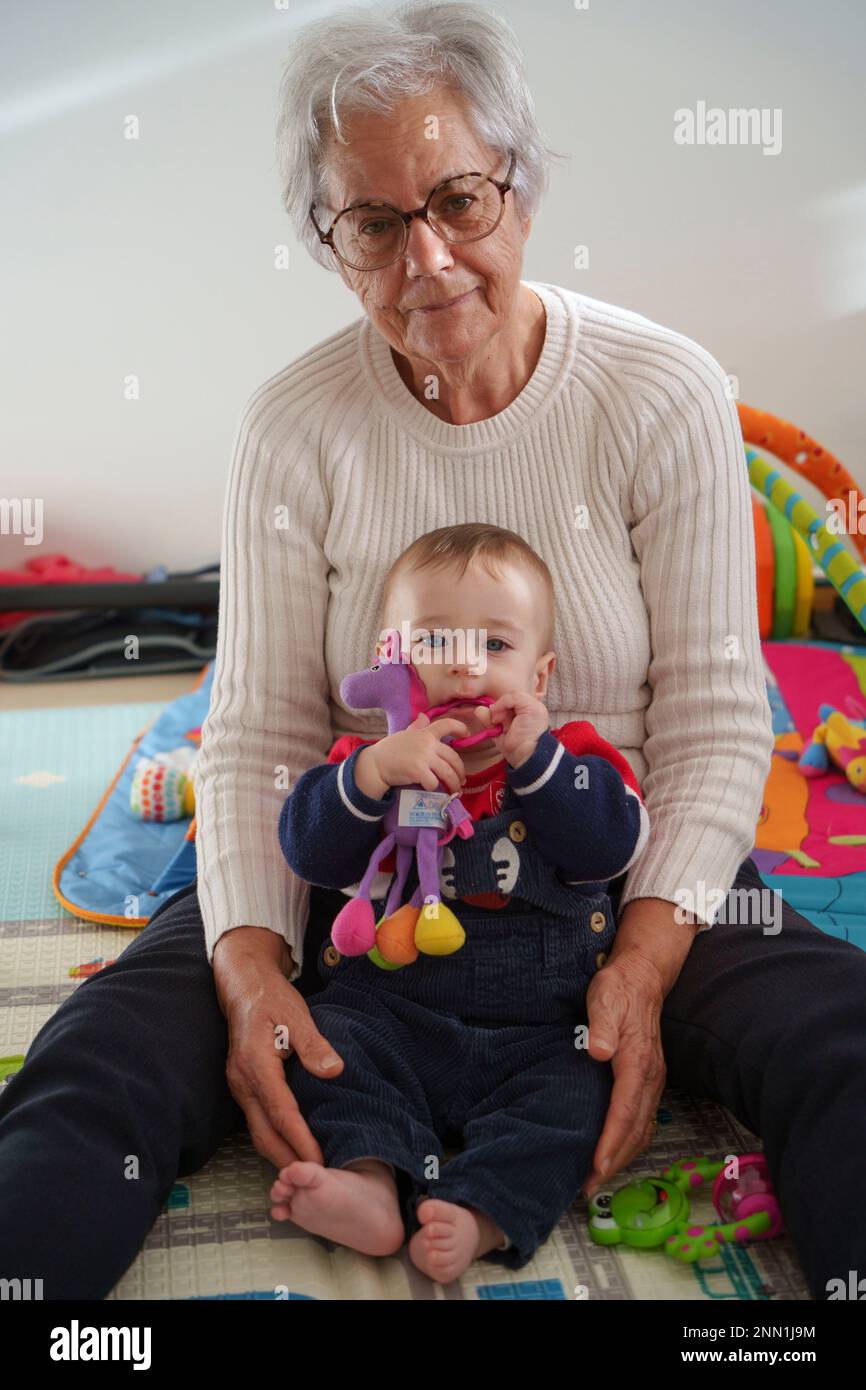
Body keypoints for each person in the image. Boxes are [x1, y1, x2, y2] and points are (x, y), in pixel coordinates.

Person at [1, 0, 864, 1300]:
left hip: (607, 855)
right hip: (362, 872)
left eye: (458, 197)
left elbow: (712, 723)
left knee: (842, 1041)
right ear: (328, 241)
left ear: (520, 187)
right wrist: (245, 965)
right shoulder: (293, 426)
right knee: (98, 1064)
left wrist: (639, 958)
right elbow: (254, 738)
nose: (429, 258)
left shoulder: (659, 387)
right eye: (375, 222)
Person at [272, 523, 648, 1281]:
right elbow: (307, 852)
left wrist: (539, 765)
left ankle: (480, 1211)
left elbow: (612, 849)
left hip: (541, 1031)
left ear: (541, 678)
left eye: (497, 647)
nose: (468, 664)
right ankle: (372, 1183)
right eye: (436, 642)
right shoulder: (369, 763)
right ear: (393, 660)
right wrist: (372, 773)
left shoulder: (572, 759)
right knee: (324, 1047)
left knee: (582, 1092)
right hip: (392, 1013)